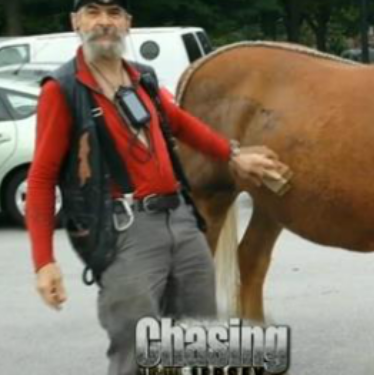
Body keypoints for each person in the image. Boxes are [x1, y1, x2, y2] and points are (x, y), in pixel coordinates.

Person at [25, 1, 286, 373]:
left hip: (179, 217)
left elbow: (180, 122)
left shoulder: (142, 78)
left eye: (114, 13)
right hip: (122, 229)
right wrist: (44, 261)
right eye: (93, 12)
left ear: (128, 23)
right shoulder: (63, 90)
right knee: (135, 346)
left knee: (198, 335)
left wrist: (232, 155)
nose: (104, 23)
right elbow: (40, 177)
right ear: (76, 21)